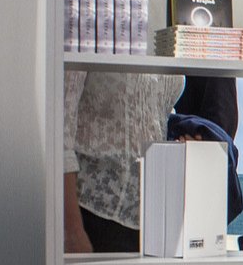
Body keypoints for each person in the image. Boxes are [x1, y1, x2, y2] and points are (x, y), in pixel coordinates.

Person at [63, 70, 185, 252]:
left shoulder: (166, 51)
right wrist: (71, 229)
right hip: (92, 213)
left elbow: (153, 115)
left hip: (154, 220)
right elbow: (59, 132)